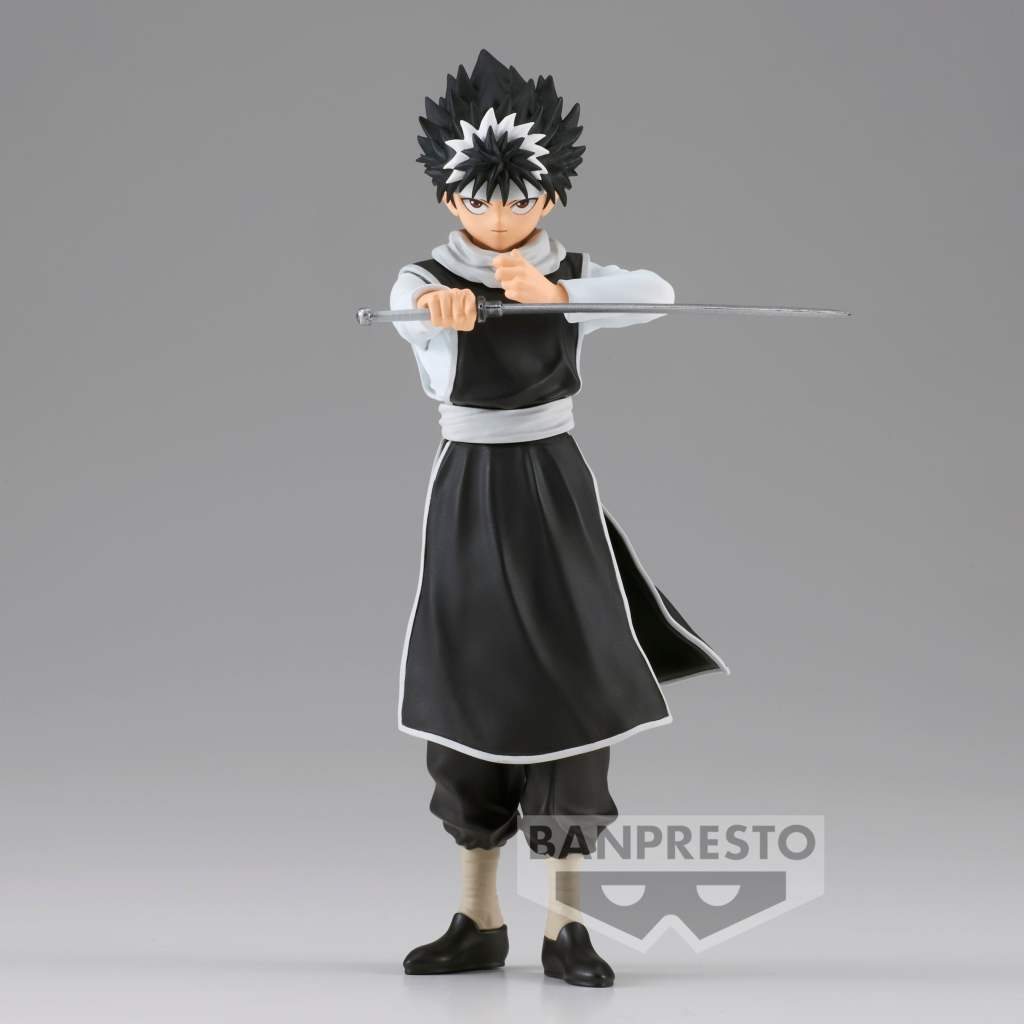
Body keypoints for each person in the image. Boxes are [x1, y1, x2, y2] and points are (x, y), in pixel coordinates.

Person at [387, 49, 728, 988]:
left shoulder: (567, 273)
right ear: (448, 195)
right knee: (468, 680)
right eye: (477, 199)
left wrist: (561, 296)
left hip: (552, 485)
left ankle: (567, 926)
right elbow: (422, 341)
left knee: (573, 687)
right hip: (470, 489)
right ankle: (477, 916)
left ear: (550, 194)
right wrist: (441, 317)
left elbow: (658, 295)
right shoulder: (423, 278)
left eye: (518, 199)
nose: (498, 218)